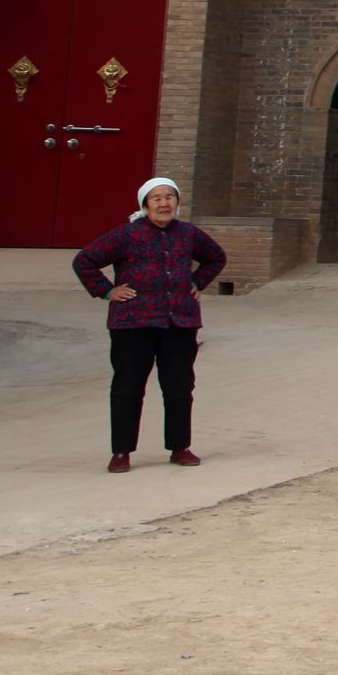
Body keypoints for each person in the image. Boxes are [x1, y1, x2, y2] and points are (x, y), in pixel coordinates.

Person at [72, 178, 226, 473]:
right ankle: (121, 452)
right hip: (133, 323)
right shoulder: (127, 235)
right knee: (128, 387)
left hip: (179, 322)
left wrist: (197, 282)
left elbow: (216, 257)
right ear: (144, 205)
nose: (164, 203)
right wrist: (107, 291)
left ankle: (180, 447)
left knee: (179, 386)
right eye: (156, 198)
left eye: (169, 197)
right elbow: (85, 261)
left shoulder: (188, 234)